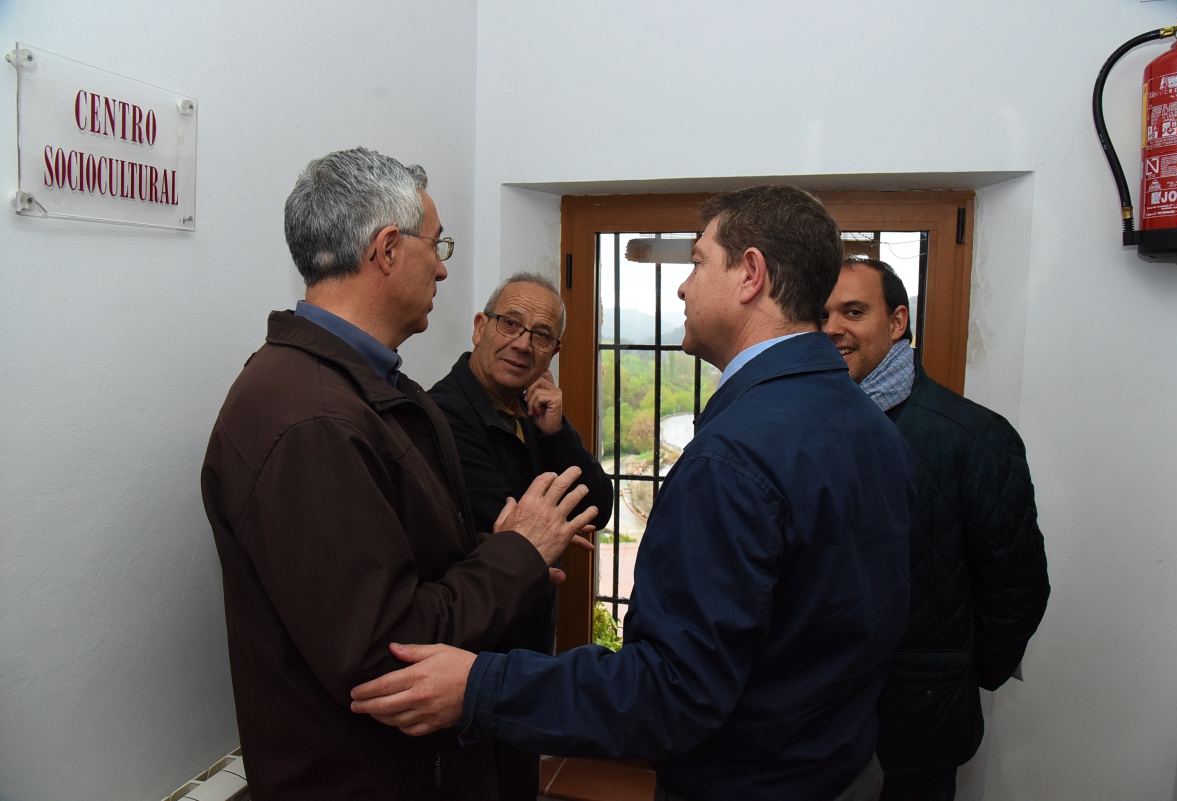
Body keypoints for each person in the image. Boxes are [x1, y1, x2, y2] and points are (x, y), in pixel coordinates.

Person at [349, 185, 915, 801]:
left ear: (750, 275)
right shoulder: (874, 426)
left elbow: (672, 692)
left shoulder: (734, 457)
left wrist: (480, 686)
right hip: (840, 767)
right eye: (510, 325)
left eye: (697, 262)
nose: (683, 288)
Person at [200, 147, 596, 801]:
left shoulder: (366, 388)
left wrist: (500, 550)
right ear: (387, 250)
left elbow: (398, 567)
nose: (443, 267)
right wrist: (515, 554)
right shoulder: (313, 420)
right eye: (436, 245)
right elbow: (388, 655)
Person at [821, 257, 1050, 801]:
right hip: (815, 726)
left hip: (916, 730)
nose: (833, 328)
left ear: (897, 322)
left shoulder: (973, 437)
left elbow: (1016, 590)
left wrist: (947, 675)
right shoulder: (811, 426)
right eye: (823, 314)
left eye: (853, 311)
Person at [427, 273, 614, 800]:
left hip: (524, 645)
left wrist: (557, 433)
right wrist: (548, 530)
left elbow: (597, 507)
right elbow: (517, 528)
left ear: (553, 352)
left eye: (541, 334)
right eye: (511, 323)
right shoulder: (442, 415)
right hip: (471, 648)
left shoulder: (531, 414)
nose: (523, 343)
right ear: (480, 328)